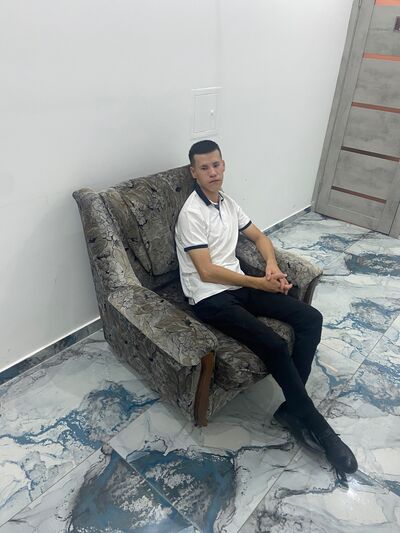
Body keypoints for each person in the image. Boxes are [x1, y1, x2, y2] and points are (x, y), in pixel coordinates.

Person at [175, 139, 358, 474]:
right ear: (194, 172)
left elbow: (259, 238)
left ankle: (292, 409)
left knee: (310, 318)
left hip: (238, 286)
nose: (213, 172)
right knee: (273, 344)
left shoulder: (228, 203)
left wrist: (271, 266)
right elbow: (206, 271)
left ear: (223, 165)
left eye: (216, 164)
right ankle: (317, 426)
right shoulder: (191, 214)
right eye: (204, 167)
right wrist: (259, 282)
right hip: (209, 297)